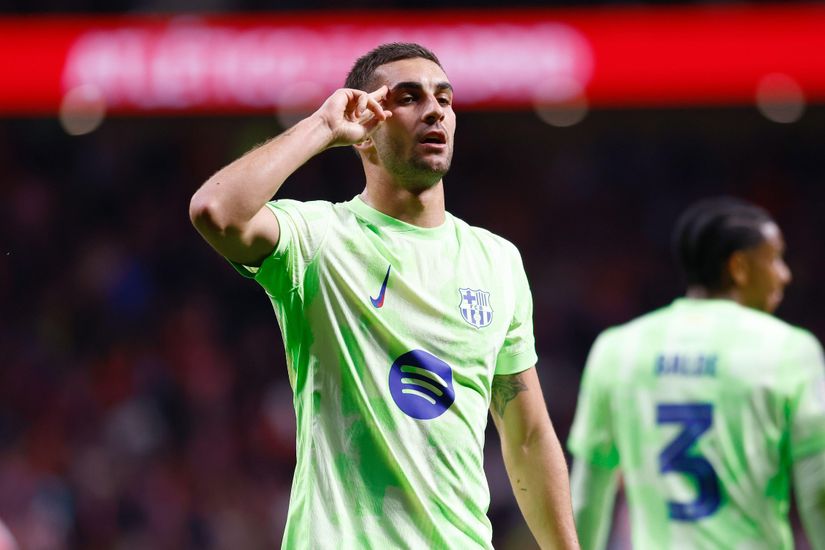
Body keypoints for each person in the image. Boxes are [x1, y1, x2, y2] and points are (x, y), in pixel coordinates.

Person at [189, 42, 578, 549]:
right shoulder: (317, 237)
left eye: (444, 98)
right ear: (365, 127)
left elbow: (526, 436)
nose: (435, 109)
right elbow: (215, 210)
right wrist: (323, 127)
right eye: (410, 97)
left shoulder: (496, 260)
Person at [568, 197, 825, 549]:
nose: (785, 274)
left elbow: (586, 497)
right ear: (739, 267)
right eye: (775, 258)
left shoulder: (618, 349)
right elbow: (818, 491)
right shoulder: (789, 350)